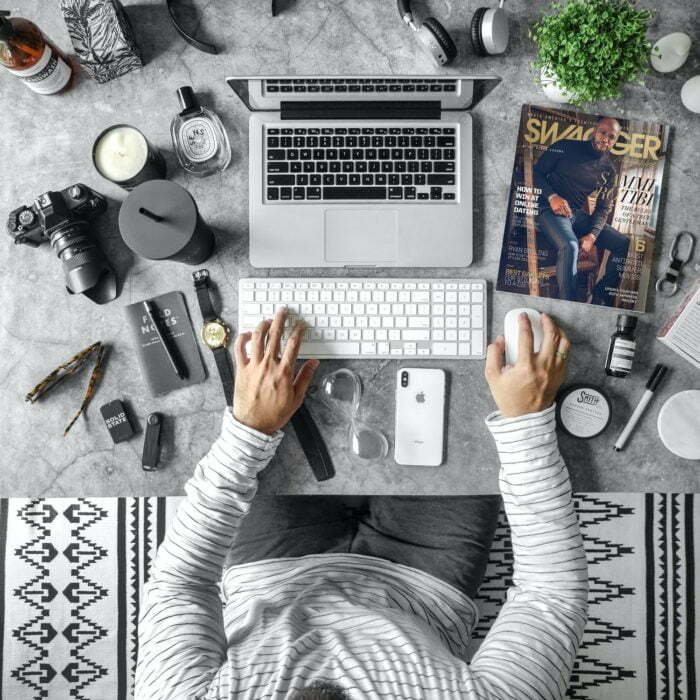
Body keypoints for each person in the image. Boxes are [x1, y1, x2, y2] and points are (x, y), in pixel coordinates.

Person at [136, 308, 588, 699]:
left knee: (269, 378)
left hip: (270, 571)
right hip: (424, 584)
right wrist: (528, 421)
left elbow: (181, 584)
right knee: (465, 405)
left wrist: (247, 431)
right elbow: (549, 599)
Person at [534, 116, 630, 305]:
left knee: (623, 243)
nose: (605, 139)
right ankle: (569, 305)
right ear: (595, 130)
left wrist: (592, 236)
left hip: (576, 215)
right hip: (548, 208)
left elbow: (603, 208)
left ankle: (601, 295)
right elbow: (536, 173)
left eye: (611, 137)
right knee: (570, 246)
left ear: (615, 140)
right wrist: (552, 196)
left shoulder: (609, 171)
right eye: (603, 132)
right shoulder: (565, 146)